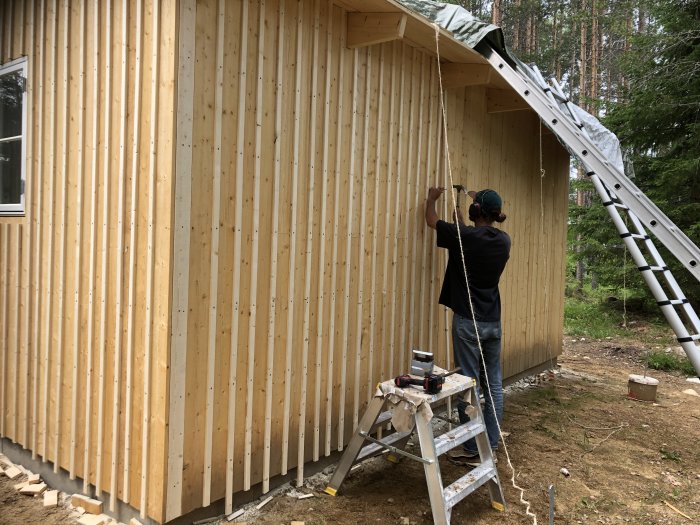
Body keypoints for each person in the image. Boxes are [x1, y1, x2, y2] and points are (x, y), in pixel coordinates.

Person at [425, 186, 511, 466]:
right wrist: (467, 212)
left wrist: (431, 199)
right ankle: (491, 445)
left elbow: (431, 220)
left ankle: (472, 448)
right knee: (493, 385)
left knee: (468, 385)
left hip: (468, 324)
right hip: (492, 323)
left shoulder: (465, 236)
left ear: (476, 212)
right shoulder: (503, 240)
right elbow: (471, 240)